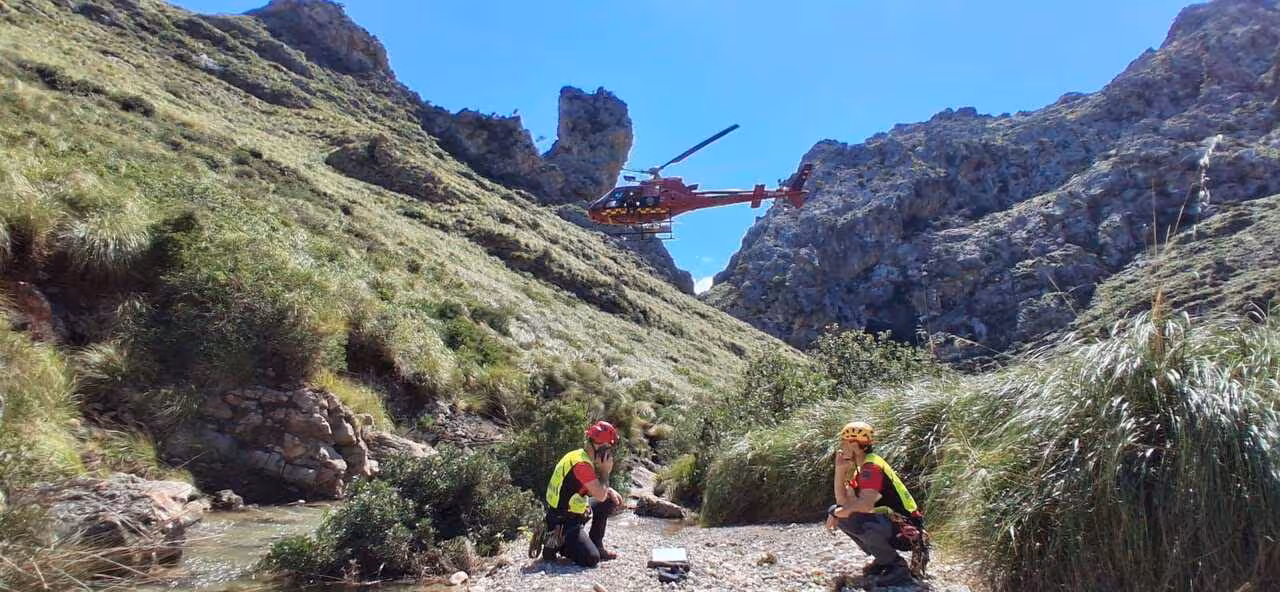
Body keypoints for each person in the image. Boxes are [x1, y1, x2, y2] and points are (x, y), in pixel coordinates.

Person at [825, 421, 925, 587]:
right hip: (894, 525)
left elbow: (864, 505)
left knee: (845, 515)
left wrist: (838, 512)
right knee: (838, 511)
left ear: (854, 444)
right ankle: (884, 560)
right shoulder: (862, 467)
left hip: (907, 530)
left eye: (843, 443)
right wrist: (839, 471)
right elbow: (843, 502)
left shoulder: (871, 467)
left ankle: (896, 566)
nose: (841, 448)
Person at [541, 420, 625, 567]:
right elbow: (599, 494)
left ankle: (596, 544)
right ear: (601, 447)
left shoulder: (579, 455)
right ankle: (560, 543)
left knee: (608, 499)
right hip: (564, 521)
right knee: (592, 558)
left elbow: (580, 488)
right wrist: (605, 473)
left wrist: (608, 490)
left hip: (572, 511)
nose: (609, 453)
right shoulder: (582, 465)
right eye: (608, 449)